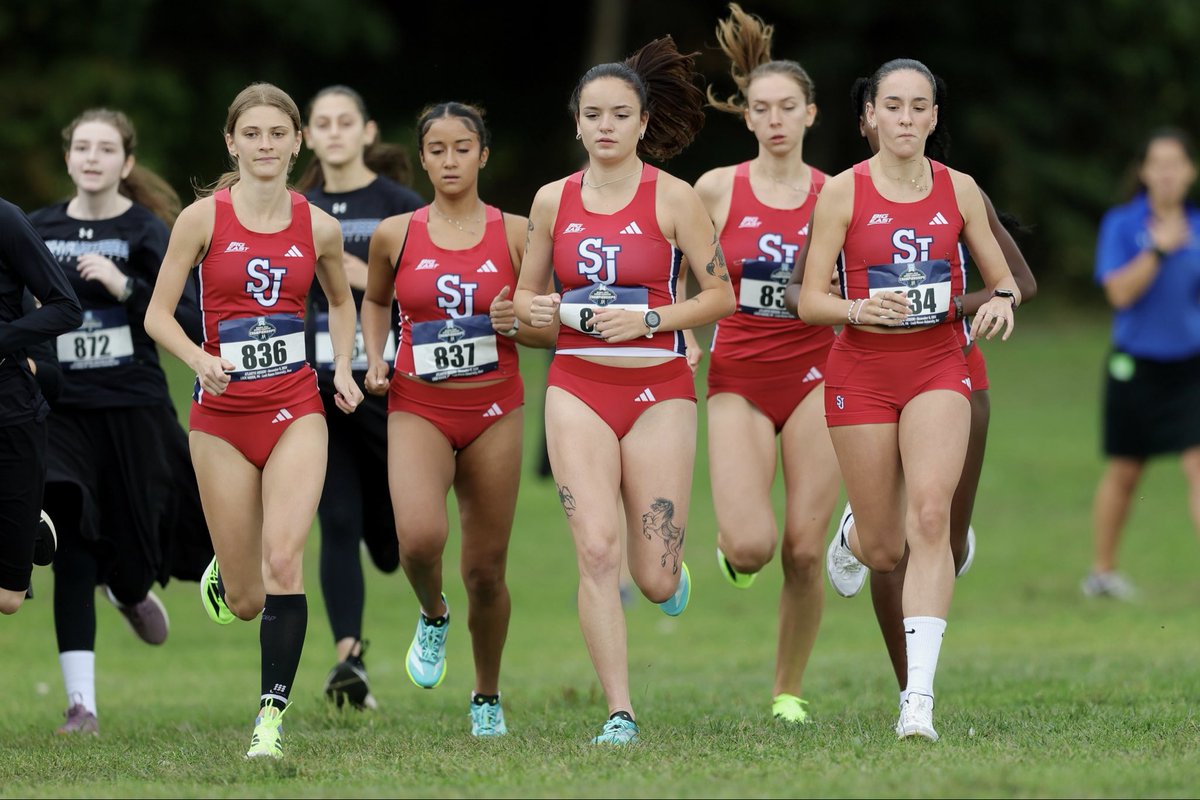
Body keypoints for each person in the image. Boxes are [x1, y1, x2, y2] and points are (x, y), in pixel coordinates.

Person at [513, 36, 737, 745]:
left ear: (644, 123)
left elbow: (721, 295)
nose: (605, 126)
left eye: (620, 114)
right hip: (576, 387)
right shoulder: (552, 202)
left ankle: (671, 576)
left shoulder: (674, 199)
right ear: (576, 123)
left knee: (654, 579)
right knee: (597, 551)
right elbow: (525, 299)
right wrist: (538, 313)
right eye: (593, 114)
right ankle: (619, 710)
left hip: (658, 390)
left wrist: (650, 318)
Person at [786, 74, 1038, 699]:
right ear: (870, 116)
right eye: (891, 107)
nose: (904, 118)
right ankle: (853, 533)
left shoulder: (960, 190)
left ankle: (917, 699)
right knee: (883, 546)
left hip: (941, 368)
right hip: (863, 373)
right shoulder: (842, 192)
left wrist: (992, 301)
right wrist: (856, 309)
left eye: (918, 107)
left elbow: (1012, 282)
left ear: (932, 118)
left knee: (935, 526)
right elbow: (806, 298)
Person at [145, 82, 363, 759]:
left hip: (296, 406)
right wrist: (196, 356)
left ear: (297, 142)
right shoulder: (202, 219)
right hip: (220, 420)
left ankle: (268, 720)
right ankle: (225, 571)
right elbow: (156, 315)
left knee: (284, 561)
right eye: (253, 134)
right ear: (232, 142)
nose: (265, 145)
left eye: (277, 134)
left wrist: (347, 369)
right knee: (245, 597)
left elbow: (340, 299)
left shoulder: (317, 225)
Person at [362, 100, 552, 737]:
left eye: (462, 147)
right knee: (417, 539)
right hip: (417, 401)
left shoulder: (519, 232)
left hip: (495, 406)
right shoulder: (397, 232)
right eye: (437, 149)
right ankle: (433, 613)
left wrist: (517, 324)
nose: (450, 160)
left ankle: (487, 696)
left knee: (486, 570)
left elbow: (547, 330)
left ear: (483, 155)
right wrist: (377, 356)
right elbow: (376, 300)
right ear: (422, 158)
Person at [29, 107, 210, 735]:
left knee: (132, 552)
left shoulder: (146, 229)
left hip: (134, 407)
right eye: (82, 146)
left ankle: (129, 589)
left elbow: (188, 315)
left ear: (126, 163)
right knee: (73, 544)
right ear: (68, 157)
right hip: (61, 409)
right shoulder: (37, 227)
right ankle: (82, 705)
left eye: (106, 148)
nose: (93, 157)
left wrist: (124, 284)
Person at [689, 3, 841, 726]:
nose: (775, 119)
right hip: (740, 377)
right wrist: (686, 335)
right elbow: (679, 268)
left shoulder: (836, 193)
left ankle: (788, 690)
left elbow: (862, 280)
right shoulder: (717, 189)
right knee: (753, 546)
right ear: (746, 117)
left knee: (806, 551)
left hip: (820, 374)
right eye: (762, 108)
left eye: (789, 107)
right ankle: (735, 553)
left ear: (810, 114)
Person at [296, 84, 425, 710]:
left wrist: (354, 273)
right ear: (309, 137)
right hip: (318, 383)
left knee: (393, 538)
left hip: (389, 384)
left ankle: (392, 536)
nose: (336, 132)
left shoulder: (399, 205)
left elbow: (430, 286)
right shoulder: (295, 208)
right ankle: (349, 662)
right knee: (336, 520)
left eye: (347, 121)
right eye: (323, 123)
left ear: (368, 132)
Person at [1086, 127, 1200, 599]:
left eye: (1177, 163)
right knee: (1125, 472)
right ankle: (1103, 573)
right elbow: (1118, 292)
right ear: (1145, 172)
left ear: (1190, 171)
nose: (1168, 173)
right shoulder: (1122, 224)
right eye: (1159, 164)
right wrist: (1158, 249)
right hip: (1134, 366)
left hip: (1191, 368)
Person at [0, 198, 81, 616]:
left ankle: (25, 522)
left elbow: (66, 308)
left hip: (11, 407)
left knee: (8, 599)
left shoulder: (7, 219)